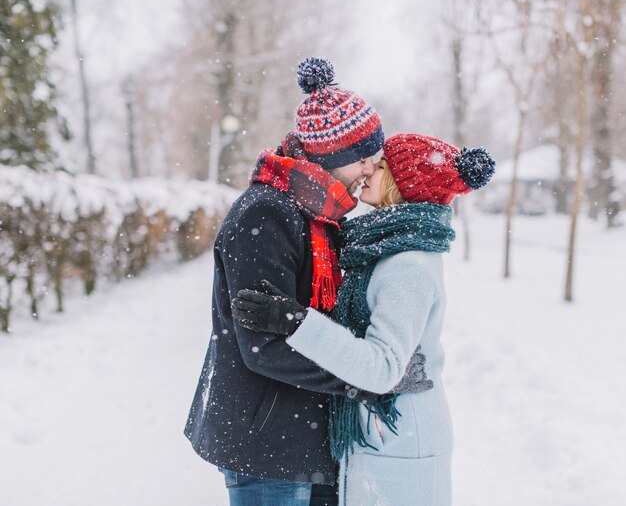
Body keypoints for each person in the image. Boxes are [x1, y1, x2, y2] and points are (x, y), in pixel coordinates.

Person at [185, 58, 427, 506]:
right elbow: (262, 346)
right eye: (365, 160)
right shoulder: (267, 214)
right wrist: (368, 380)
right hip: (268, 445)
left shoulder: (318, 213)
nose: (371, 172)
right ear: (332, 158)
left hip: (303, 437)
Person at [234, 133, 496, 506]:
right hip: (382, 435)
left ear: (403, 184)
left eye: (383, 164)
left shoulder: (408, 265)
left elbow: (382, 367)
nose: (370, 168)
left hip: (401, 441)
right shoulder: (386, 248)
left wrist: (295, 322)